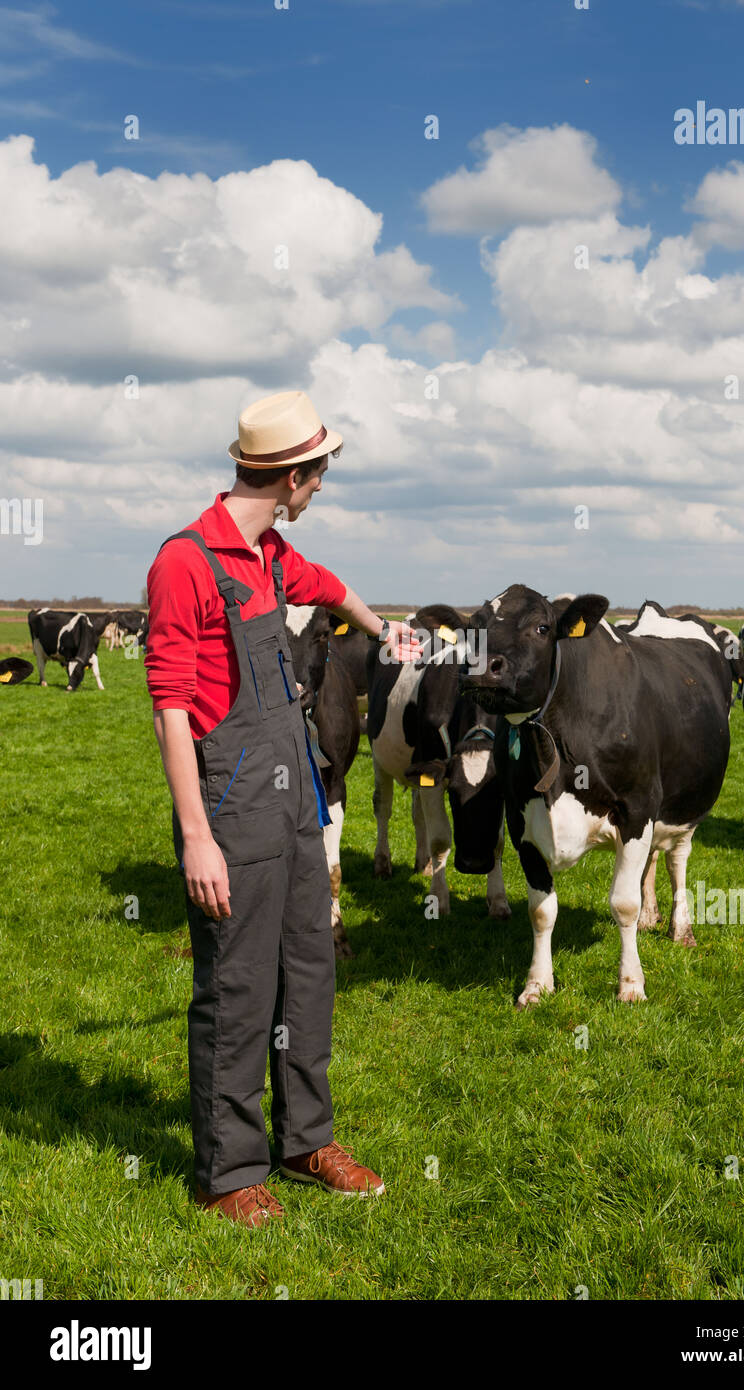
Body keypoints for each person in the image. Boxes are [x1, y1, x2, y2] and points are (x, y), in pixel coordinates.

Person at [145, 389, 423, 1227]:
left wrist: (383, 632)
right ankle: (228, 1173)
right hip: (228, 807)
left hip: (298, 797)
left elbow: (330, 585)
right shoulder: (186, 561)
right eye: (321, 473)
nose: (321, 487)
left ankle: (306, 1140)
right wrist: (196, 838)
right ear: (292, 476)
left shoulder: (269, 556)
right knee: (236, 987)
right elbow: (168, 705)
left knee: (309, 971)